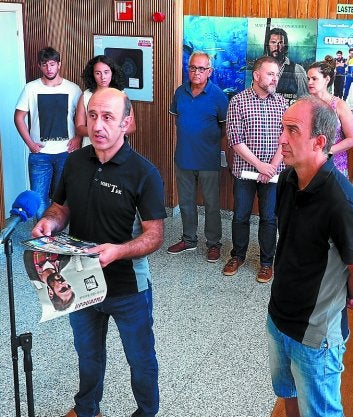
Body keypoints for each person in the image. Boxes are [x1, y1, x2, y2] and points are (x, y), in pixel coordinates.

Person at [32, 88, 166, 417]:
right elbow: (60, 208)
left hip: (128, 288)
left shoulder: (144, 173)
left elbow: (154, 236)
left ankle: (147, 412)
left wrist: (119, 251)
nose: (98, 125)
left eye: (108, 117)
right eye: (92, 116)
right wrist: (49, 223)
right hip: (79, 280)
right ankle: (87, 409)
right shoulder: (75, 161)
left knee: (140, 359)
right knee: (88, 354)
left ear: (126, 123)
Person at [268, 95, 353, 417]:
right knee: (288, 394)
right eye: (282, 128)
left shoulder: (344, 204)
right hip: (279, 317)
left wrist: (341, 295)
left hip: (316, 333)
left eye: (292, 130)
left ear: (319, 142)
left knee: (320, 412)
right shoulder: (288, 178)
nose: (281, 139)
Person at [223, 56, 287, 283]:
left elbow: (286, 138)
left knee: (269, 218)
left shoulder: (282, 103)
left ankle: (267, 262)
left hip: (274, 173)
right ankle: (237, 256)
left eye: (276, 75)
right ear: (256, 75)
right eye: (270, 74)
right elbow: (235, 140)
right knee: (241, 215)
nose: (274, 79)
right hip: (245, 172)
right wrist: (260, 166)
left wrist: (271, 167)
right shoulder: (238, 101)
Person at [167, 51, 228, 262]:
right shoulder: (180, 92)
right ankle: (189, 239)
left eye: (202, 69)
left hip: (208, 159)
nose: (196, 72)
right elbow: (178, 122)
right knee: (186, 202)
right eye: (193, 67)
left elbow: (224, 128)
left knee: (211, 204)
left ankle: (214, 243)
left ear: (210, 71)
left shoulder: (218, 96)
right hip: (184, 157)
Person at [14, 47, 82, 218]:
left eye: (52, 64)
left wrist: (78, 138)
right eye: (45, 65)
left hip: (66, 152)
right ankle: (43, 233)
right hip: (40, 154)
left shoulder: (73, 89)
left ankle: (56, 232)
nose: (49, 68)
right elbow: (18, 117)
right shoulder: (31, 88)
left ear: (59, 64)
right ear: (39, 66)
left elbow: (83, 118)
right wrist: (30, 143)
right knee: (38, 199)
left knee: (62, 199)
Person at [307, 59, 353, 178]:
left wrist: (326, 151)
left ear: (327, 79)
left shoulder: (339, 105)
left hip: (335, 167)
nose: (310, 82)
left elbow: (352, 139)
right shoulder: (305, 104)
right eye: (308, 79)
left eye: (314, 79)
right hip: (309, 165)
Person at [75, 55, 136, 147]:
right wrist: (98, 132)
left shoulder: (121, 95)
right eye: (98, 73)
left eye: (106, 72)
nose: (103, 77)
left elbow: (132, 127)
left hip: (117, 147)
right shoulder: (86, 96)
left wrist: (108, 132)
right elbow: (79, 128)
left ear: (112, 73)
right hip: (91, 146)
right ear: (92, 75)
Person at [264, 27, 308, 101]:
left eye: (280, 43)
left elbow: (305, 99)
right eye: (273, 42)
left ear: (285, 46)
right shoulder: (261, 68)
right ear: (267, 45)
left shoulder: (297, 69)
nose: (276, 47)